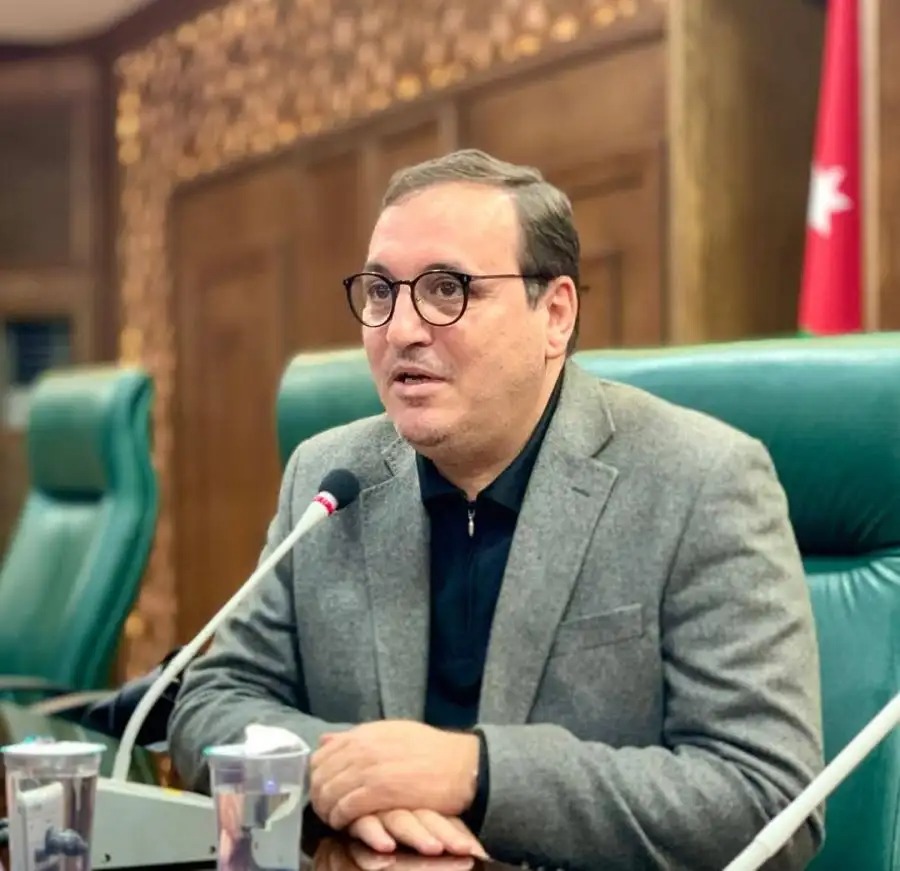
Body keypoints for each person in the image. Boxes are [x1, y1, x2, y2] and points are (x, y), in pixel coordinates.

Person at [169, 148, 825, 870]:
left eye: (447, 289)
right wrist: (352, 777)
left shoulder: (700, 481)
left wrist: (474, 774)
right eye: (381, 292)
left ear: (556, 315)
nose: (401, 329)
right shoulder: (328, 477)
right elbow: (212, 701)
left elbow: (770, 798)